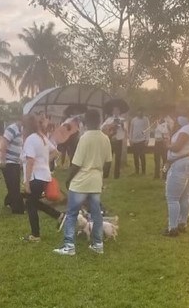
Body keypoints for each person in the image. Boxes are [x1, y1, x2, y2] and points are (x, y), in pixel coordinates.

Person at [52, 110, 112, 255]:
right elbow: (108, 163)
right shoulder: (105, 138)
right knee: (96, 214)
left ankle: (69, 246)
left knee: (72, 213)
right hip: (95, 182)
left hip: (80, 182)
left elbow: (76, 164)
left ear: (86, 122)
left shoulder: (85, 138)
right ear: (99, 121)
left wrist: (68, 179)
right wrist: (101, 177)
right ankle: (98, 244)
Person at [21, 114, 62, 242]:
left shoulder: (30, 139)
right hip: (44, 175)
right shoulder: (42, 138)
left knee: (30, 204)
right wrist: (44, 162)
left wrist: (27, 182)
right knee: (33, 202)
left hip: (35, 176)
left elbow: (30, 161)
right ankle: (58, 215)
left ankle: (35, 235)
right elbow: (56, 152)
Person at [162, 107, 189, 237]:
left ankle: (172, 228)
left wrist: (168, 144)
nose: (178, 118)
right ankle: (182, 222)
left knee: (172, 198)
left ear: (186, 116)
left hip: (180, 163)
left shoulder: (186, 130)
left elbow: (177, 148)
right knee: (185, 196)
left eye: (180, 115)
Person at [1, 117, 24, 214]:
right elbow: (4, 144)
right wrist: (2, 160)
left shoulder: (21, 130)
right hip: (9, 161)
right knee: (13, 185)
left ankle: (8, 201)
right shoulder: (11, 129)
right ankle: (17, 209)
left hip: (16, 162)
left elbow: (20, 146)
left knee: (14, 184)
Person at [101, 107, 126, 179]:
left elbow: (126, 130)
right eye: (114, 111)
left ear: (119, 112)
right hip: (110, 139)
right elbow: (102, 127)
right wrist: (110, 125)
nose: (116, 112)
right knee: (109, 157)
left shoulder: (122, 120)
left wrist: (122, 126)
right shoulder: (109, 119)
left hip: (118, 140)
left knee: (118, 158)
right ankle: (106, 174)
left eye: (117, 110)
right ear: (112, 112)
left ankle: (116, 175)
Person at [129, 109, 150, 176]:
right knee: (135, 157)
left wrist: (147, 139)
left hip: (142, 141)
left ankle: (143, 171)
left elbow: (148, 130)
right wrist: (130, 139)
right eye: (139, 111)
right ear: (137, 112)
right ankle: (137, 171)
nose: (140, 112)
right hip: (134, 141)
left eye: (141, 111)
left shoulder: (145, 119)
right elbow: (131, 130)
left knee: (142, 156)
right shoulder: (133, 120)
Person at [153, 114, 170, 180]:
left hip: (163, 143)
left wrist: (158, 125)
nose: (158, 119)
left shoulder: (165, 124)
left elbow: (164, 132)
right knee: (156, 159)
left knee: (164, 159)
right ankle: (156, 175)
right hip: (157, 142)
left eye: (160, 117)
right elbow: (155, 133)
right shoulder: (157, 125)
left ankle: (164, 175)